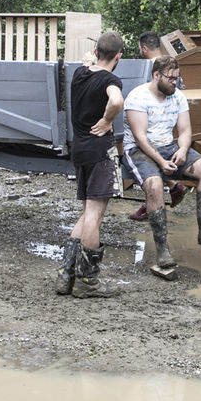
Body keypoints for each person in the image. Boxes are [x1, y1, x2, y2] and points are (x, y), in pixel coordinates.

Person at [123, 54, 201, 280]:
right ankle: (162, 250)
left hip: (167, 146)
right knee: (154, 185)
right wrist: (161, 163)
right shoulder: (137, 98)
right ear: (156, 75)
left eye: (177, 77)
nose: (175, 82)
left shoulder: (178, 97)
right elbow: (140, 138)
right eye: (171, 78)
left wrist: (182, 150)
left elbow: (185, 132)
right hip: (138, 149)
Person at [55, 30, 126, 298]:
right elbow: (117, 100)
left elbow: (88, 62)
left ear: (96, 52)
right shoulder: (111, 79)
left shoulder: (80, 74)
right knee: (94, 218)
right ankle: (87, 282)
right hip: (100, 152)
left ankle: (65, 276)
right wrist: (108, 120)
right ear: (119, 56)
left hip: (81, 151)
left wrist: (90, 58)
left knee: (86, 215)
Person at [128, 32, 186, 221]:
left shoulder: (149, 70)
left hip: (150, 133)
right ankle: (170, 188)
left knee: (149, 160)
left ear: (144, 48)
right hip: (167, 130)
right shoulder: (171, 66)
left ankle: (157, 198)